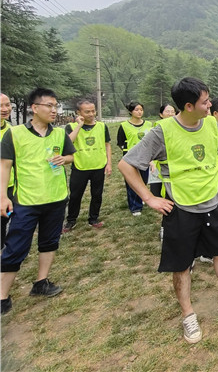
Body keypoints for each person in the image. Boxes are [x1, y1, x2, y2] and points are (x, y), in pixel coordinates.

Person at [118, 77, 218, 344]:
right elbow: (127, 165)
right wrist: (149, 198)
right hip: (180, 208)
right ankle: (188, 314)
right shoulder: (162, 131)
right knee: (182, 265)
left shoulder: (212, 125)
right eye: (205, 102)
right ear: (189, 105)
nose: (210, 106)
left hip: (212, 205)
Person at [1, 88, 76, 315]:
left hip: (56, 198)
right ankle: (2, 295)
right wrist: (3, 196)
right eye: (49, 106)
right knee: (15, 247)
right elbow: (4, 166)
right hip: (27, 201)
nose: (54, 110)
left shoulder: (60, 134)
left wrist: (65, 158)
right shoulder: (14, 134)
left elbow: (71, 156)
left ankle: (41, 282)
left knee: (49, 242)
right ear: (35, 108)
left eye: (56, 106)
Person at [62, 99, 112, 232]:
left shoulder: (102, 126)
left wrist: (109, 163)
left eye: (93, 111)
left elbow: (107, 145)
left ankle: (93, 218)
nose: (91, 114)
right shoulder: (71, 127)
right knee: (75, 195)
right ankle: (71, 220)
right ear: (78, 112)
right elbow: (68, 142)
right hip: (80, 166)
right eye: (87, 111)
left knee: (97, 194)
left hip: (98, 165)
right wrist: (79, 125)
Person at [117, 101, 153, 216]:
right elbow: (120, 142)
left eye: (141, 110)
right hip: (131, 158)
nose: (139, 112)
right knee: (132, 182)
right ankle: (135, 206)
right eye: (136, 110)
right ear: (131, 111)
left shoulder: (148, 124)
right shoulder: (124, 125)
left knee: (144, 180)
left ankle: (142, 197)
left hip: (145, 156)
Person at [148, 104, 176, 198]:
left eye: (173, 112)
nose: (170, 114)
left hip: (171, 166)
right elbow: (149, 149)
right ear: (161, 114)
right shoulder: (154, 130)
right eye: (167, 111)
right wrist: (151, 162)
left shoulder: (178, 130)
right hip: (156, 165)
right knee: (156, 192)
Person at [1, 93, 14, 249]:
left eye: (7, 104)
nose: (5, 109)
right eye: (0, 106)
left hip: (10, 187)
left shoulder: (12, 131)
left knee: (5, 220)